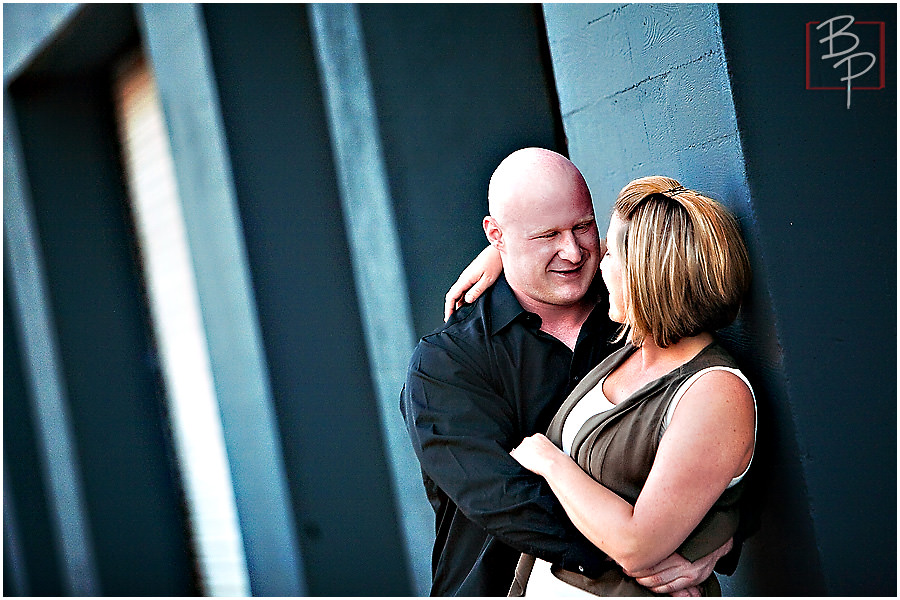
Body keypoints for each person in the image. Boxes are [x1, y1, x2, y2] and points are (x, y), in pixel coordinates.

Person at [401, 148, 733, 597]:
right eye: (547, 235)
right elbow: (506, 499)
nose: (574, 252)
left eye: (582, 226)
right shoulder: (448, 364)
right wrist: (646, 556)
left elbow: (716, 439)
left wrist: (716, 536)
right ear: (495, 235)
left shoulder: (636, 311)